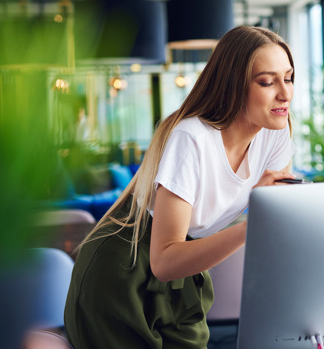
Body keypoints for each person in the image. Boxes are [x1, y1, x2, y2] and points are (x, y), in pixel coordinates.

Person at [64, 25, 297, 349]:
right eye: (267, 82)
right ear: (234, 85)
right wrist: (254, 224)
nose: (285, 93)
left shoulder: (275, 129)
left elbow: (276, 213)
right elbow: (164, 261)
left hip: (187, 267)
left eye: (288, 77)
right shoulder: (192, 137)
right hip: (123, 269)